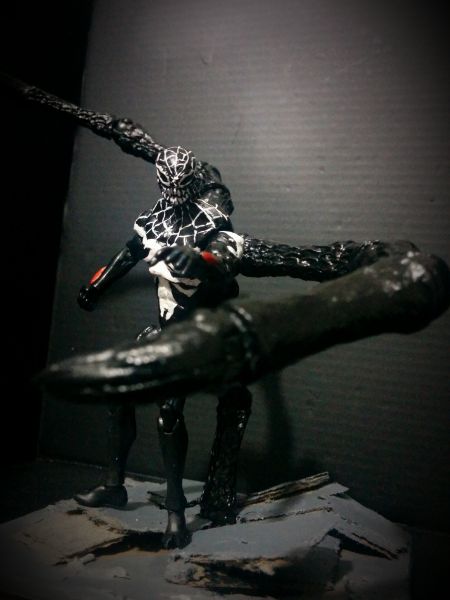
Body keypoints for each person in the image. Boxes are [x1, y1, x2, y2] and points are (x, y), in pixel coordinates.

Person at [75, 128, 252, 549]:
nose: (173, 194)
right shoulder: (157, 218)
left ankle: (175, 512)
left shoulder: (211, 225)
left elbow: (222, 267)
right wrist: (96, 286)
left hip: (200, 333)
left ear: (192, 182)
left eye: (180, 185)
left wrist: (202, 263)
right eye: (167, 186)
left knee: (168, 411)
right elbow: (129, 253)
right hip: (165, 326)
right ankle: (114, 485)